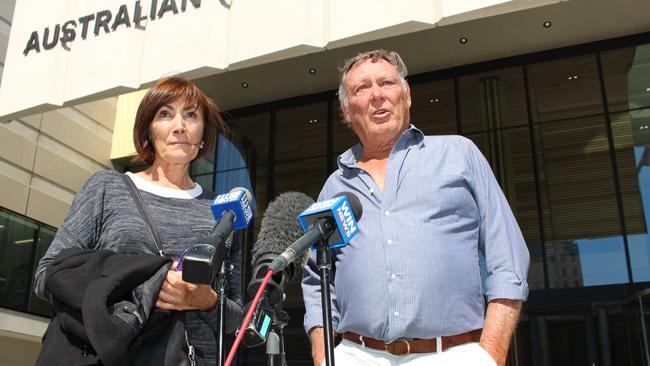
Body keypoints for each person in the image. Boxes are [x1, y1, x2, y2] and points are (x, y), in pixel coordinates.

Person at [301, 50, 530, 366]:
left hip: (451, 355)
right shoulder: (335, 186)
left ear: (406, 96)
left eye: (387, 83)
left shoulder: (459, 155)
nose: (377, 95)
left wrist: (491, 353)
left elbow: (507, 258)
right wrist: (322, 355)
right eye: (362, 88)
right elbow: (317, 280)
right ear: (345, 109)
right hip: (355, 355)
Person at [34, 76, 243, 365]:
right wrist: (141, 284)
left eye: (191, 115)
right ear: (148, 131)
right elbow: (47, 275)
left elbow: (238, 321)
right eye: (165, 114)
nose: (179, 126)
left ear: (204, 133)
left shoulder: (223, 212)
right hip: (113, 355)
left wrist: (205, 301)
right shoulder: (107, 187)